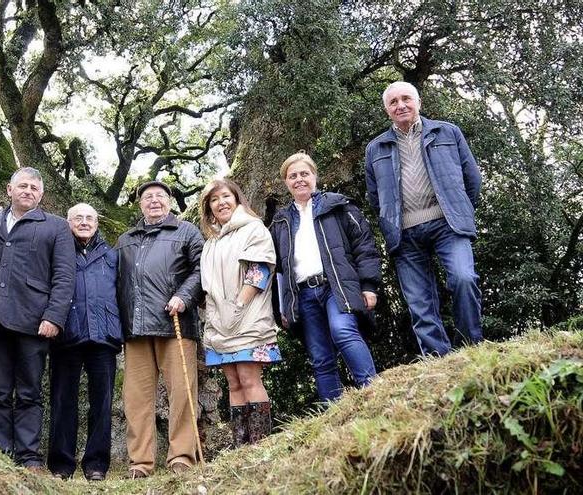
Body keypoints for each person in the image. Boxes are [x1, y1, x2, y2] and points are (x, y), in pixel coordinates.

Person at [365, 81, 483, 356]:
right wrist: (390, 220)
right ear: (387, 110)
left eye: (406, 99)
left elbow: (471, 178)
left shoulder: (448, 132)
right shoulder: (376, 148)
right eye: (393, 102)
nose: (401, 105)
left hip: (448, 225)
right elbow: (375, 196)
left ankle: (472, 349)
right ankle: (439, 359)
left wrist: (459, 209)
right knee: (419, 303)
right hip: (404, 233)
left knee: (464, 278)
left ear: (418, 102)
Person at [0, 167, 75, 470]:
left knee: (29, 392)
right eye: (22, 186)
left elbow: (64, 276)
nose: (28, 191)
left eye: (34, 188)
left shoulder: (57, 227)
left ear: (41, 195)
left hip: (35, 321)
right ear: (9, 190)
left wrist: (54, 316)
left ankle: (28, 456)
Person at [270, 151, 380, 402]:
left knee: (343, 331)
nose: (299, 179)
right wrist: (284, 307)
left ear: (314, 176)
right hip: (303, 294)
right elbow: (278, 269)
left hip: (336, 286)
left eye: (304, 174)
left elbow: (364, 246)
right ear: (286, 182)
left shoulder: (338, 205)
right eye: (293, 176)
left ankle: (373, 392)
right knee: (320, 356)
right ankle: (332, 414)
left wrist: (369, 285)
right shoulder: (281, 221)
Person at [116, 180, 204, 478]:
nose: (154, 201)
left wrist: (184, 296)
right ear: (140, 204)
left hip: (175, 324)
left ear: (169, 202)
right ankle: (140, 463)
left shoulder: (187, 231)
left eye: (160, 196)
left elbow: (201, 268)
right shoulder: (125, 239)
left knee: (182, 394)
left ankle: (181, 457)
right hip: (135, 331)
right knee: (136, 399)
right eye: (148, 197)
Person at [198, 179, 281, 447]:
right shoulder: (211, 242)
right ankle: (241, 445)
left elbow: (260, 270)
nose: (221, 202)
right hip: (219, 323)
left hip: (248, 316)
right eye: (214, 199)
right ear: (209, 208)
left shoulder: (253, 229)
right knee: (233, 383)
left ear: (237, 199)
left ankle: (260, 445)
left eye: (225, 196)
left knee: (248, 378)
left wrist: (239, 305)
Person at [47, 203, 123, 481]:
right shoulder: (58, 250)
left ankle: (96, 465)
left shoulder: (112, 255)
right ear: (67, 222)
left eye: (89, 217)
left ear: (97, 222)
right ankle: (60, 465)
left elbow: (122, 294)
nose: (84, 222)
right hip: (65, 335)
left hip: (104, 337)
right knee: (63, 401)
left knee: (102, 404)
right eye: (77, 217)